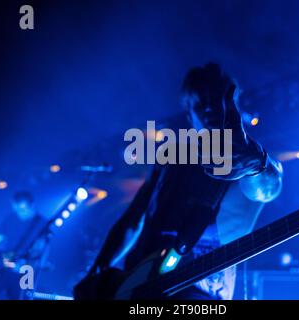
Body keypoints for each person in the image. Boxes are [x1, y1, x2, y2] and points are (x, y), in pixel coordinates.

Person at [77, 63, 283, 300]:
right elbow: (133, 219)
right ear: (189, 114)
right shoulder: (170, 156)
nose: (208, 109)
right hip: (139, 285)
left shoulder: (241, 156)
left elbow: (268, 188)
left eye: (216, 100)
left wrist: (259, 163)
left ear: (232, 104)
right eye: (199, 103)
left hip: (198, 291)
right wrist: (96, 272)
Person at [0, 191, 48, 300]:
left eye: (23, 210)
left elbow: (40, 251)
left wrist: (28, 262)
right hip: (1, 268)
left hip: (25, 272)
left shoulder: (42, 224)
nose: (19, 214)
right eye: (17, 210)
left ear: (32, 205)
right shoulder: (10, 218)